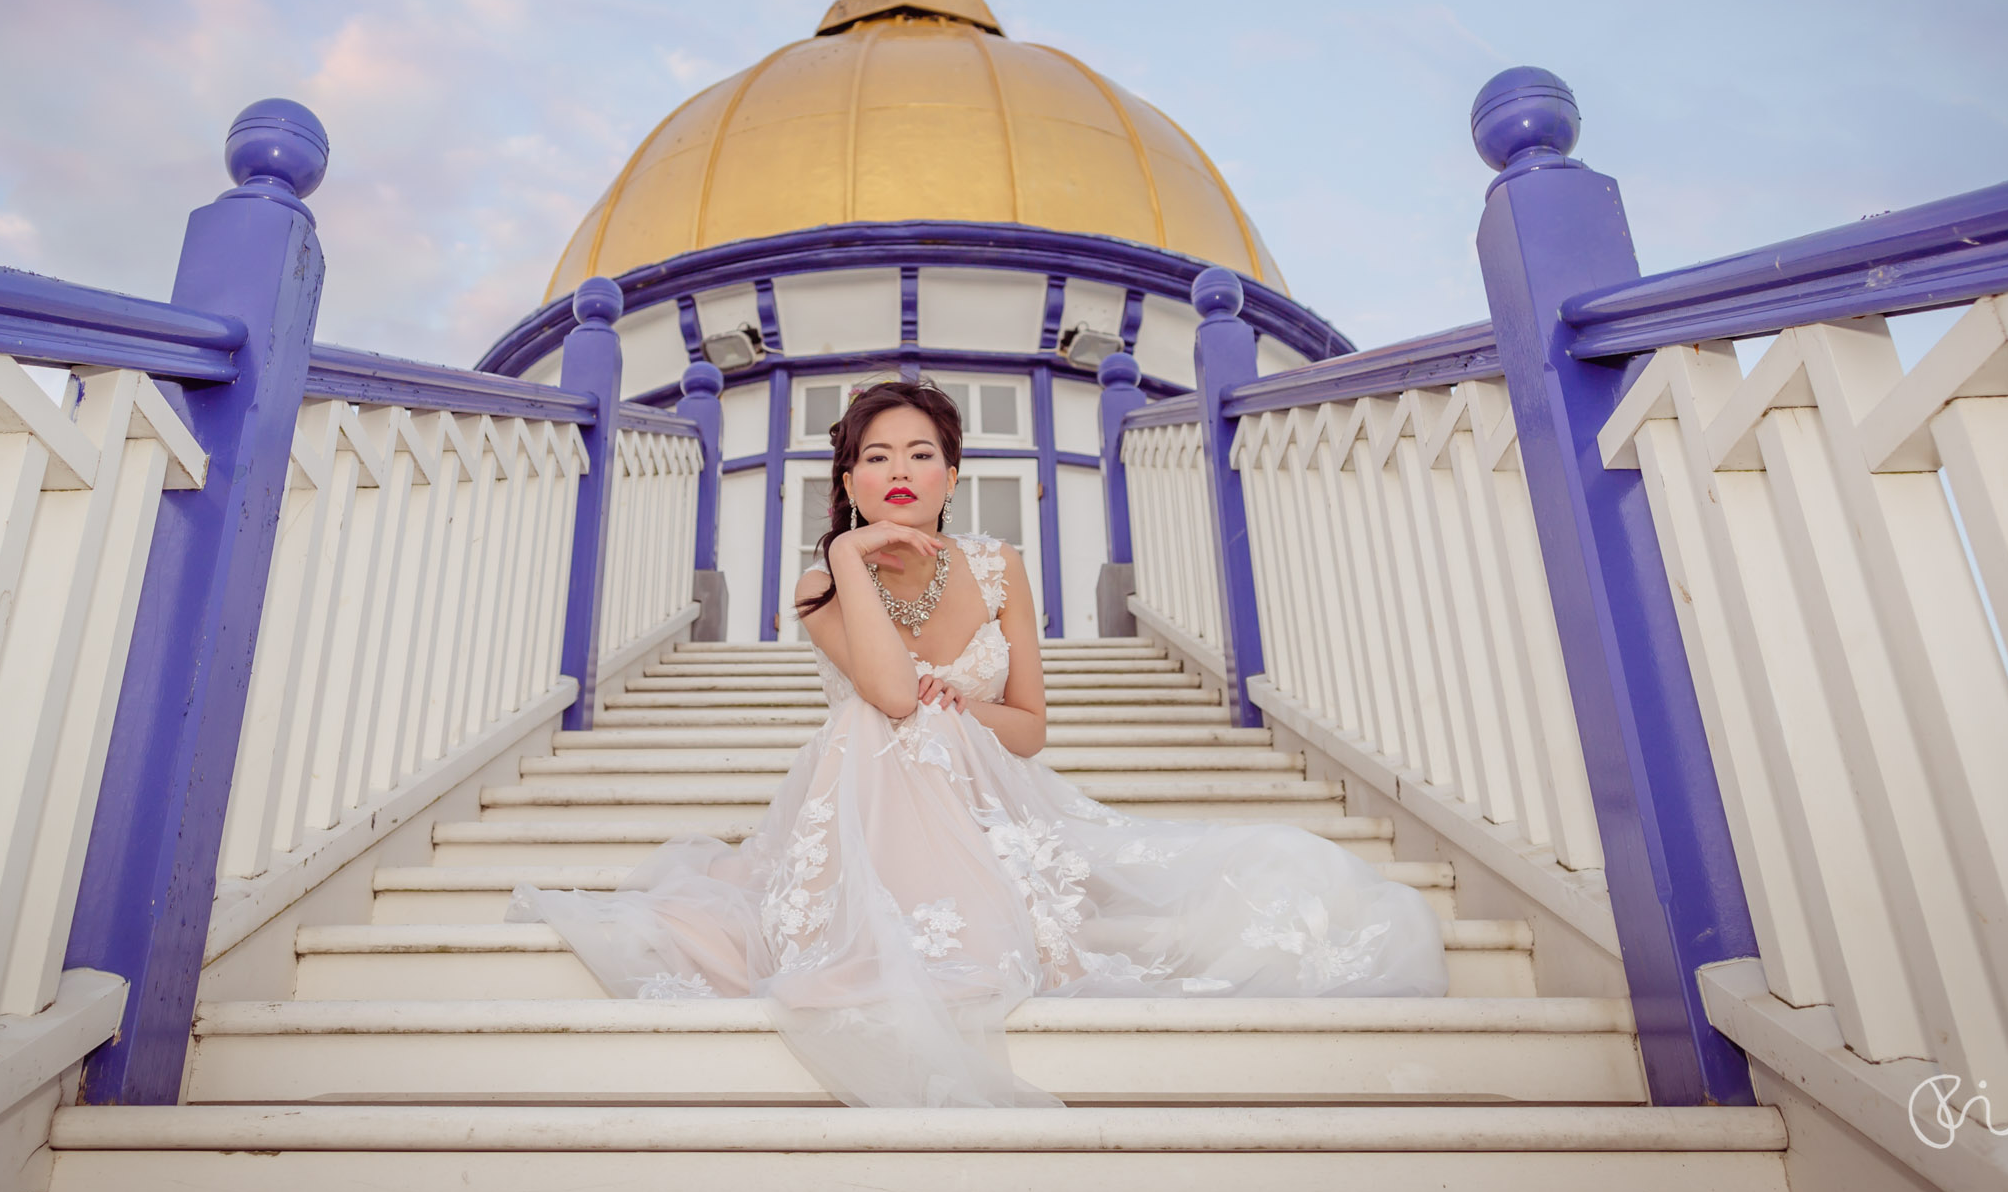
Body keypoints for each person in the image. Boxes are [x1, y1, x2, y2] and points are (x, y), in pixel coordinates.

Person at [514, 377, 1448, 1108]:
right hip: (862, 801)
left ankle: (950, 926)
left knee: (919, 721)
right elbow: (882, 691)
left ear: (952, 475)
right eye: (875, 457)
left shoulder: (1001, 567)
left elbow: (1030, 729)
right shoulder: (818, 584)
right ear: (849, 482)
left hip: (989, 797)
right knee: (873, 719)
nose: (900, 469)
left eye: (923, 452)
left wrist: (955, 711)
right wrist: (847, 559)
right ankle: (885, 935)